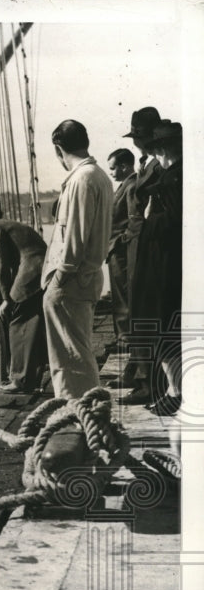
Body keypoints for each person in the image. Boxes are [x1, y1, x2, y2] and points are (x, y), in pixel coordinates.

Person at [41, 120, 113, 400]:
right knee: (77, 351)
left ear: (59, 148)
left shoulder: (82, 179)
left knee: (69, 357)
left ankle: (76, 412)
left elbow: (75, 237)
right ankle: (85, 410)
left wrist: (60, 277)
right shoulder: (100, 177)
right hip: (86, 277)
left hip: (71, 279)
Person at [134, 119, 183, 415]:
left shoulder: (170, 180)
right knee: (166, 327)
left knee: (162, 325)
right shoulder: (173, 177)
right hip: (165, 262)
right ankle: (172, 388)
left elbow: (175, 221)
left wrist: (152, 216)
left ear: (163, 148)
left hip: (162, 264)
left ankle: (174, 390)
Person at [117, 107, 163, 404]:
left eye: (141, 137)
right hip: (137, 245)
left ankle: (148, 382)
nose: (138, 143)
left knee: (144, 309)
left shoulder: (157, 167)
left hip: (148, 244)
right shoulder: (147, 165)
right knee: (136, 308)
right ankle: (141, 374)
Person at [0, 201, 48, 393]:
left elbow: (0, 265)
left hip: (32, 270)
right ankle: (33, 376)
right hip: (45, 267)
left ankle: (20, 379)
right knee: (35, 322)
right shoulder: (12, 224)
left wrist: (6, 299)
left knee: (18, 321)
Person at [104, 148, 137, 352]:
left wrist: (120, 242)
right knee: (119, 296)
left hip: (120, 251)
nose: (112, 173)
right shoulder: (124, 185)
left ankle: (125, 340)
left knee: (123, 296)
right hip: (115, 250)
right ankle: (121, 338)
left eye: (113, 168)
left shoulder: (131, 186)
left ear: (124, 166)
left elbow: (134, 220)